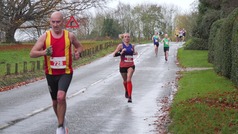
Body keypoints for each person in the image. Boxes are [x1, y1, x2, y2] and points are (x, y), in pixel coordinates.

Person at [29, 11, 83, 134]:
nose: (55, 24)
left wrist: (77, 53)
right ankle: (62, 120)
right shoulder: (45, 37)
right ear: (50, 22)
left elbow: (80, 47)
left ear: (62, 22)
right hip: (50, 73)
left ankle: (59, 127)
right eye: (53, 22)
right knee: (54, 102)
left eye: (58, 21)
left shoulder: (70, 36)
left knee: (61, 97)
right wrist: (44, 52)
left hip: (66, 72)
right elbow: (32, 53)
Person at [113, 33, 138, 103]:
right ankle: (127, 90)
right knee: (125, 81)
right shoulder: (120, 46)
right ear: (123, 38)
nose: (127, 38)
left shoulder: (132, 46)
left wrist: (135, 53)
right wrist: (121, 52)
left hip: (131, 65)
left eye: (128, 37)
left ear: (130, 38)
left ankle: (130, 96)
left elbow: (132, 52)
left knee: (129, 79)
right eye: (125, 37)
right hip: (123, 66)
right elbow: (114, 54)